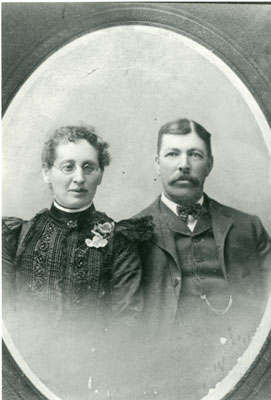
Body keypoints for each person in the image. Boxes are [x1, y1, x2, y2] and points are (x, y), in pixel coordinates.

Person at [2, 125, 152, 399]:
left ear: (101, 175)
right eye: (68, 167)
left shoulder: (120, 241)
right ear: (47, 172)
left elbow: (126, 321)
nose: (79, 178)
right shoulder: (15, 238)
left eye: (89, 167)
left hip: (93, 380)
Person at [135, 118, 271, 399]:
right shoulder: (132, 234)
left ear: (209, 163)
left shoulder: (249, 228)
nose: (183, 164)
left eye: (194, 154)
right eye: (172, 154)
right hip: (163, 376)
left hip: (240, 367)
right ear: (157, 163)